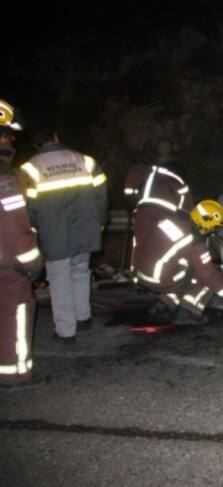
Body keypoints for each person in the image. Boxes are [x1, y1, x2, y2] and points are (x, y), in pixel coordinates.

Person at [20, 128, 108, 345]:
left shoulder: (30, 168)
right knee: (80, 271)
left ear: (36, 145)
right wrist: (100, 221)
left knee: (59, 279)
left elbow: (29, 207)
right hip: (85, 228)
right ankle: (83, 318)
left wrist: (34, 230)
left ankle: (66, 331)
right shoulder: (85, 161)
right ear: (56, 137)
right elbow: (101, 194)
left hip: (54, 232)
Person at [131, 196, 223, 325]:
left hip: (141, 273)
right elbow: (209, 275)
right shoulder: (196, 241)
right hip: (160, 279)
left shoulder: (174, 220)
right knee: (205, 278)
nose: (212, 231)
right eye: (213, 227)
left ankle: (164, 304)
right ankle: (188, 311)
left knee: (183, 270)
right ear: (205, 222)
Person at [0, 99, 44, 387]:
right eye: (9, 135)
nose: (11, 141)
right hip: (7, 263)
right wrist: (33, 262)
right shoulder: (4, 174)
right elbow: (15, 225)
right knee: (15, 315)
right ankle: (16, 373)